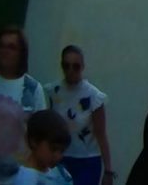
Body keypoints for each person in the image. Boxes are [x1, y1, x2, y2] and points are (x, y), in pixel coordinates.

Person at [0, 28, 49, 184]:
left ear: (21, 53)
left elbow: (42, 134)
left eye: (11, 47)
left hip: (17, 176)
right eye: (1, 46)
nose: (5, 51)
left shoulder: (33, 89)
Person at [43, 48, 111, 185]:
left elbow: (101, 134)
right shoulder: (53, 92)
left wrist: (108, 171)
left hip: (87, 160)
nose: (71, 70)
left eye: (76, 66)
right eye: (66, 65)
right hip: (59, 158)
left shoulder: (93, 96)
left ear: (82, 67)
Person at [9, 111, 71, 185]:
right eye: (53, 149)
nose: (58, 156)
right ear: (34, 141)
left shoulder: (62, 173)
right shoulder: (23, 179)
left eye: (62, 151)